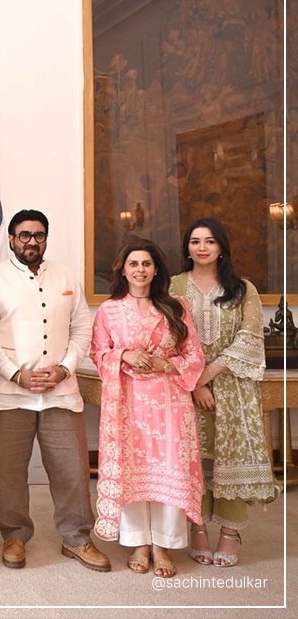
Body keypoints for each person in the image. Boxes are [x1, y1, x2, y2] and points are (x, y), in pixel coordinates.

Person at [0, 209, 110, 573]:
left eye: (38, 235)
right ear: (11, 239)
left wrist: (65, 368)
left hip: (60, 391)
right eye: (24, 235)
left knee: (72, 468)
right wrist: (16, 374)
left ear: (46, 238)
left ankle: (77, 538)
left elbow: (83, 327)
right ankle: (15, 535)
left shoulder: (65, 275)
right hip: (8, 392)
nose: (31, 241)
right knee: (9, 471)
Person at [91, 239, 205, 578]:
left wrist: (165, 365)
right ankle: (139, 542)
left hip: (170, 402)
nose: (140, 270)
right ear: (123, 270)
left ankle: (163, 544)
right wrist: (124, 355)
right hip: (127, 403)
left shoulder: (176, 306)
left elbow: (194, 355)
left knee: (168, 468)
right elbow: (98, 353)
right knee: (133, 468)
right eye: (133, 264)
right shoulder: (109, 311)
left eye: (146, 264)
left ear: (156, 269)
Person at [171, 218, 280, 567]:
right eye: (194, 241)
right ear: (187, 247)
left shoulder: (242, 288)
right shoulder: (173, 285)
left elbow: (250, 337)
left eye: (210, 241)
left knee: (229, 460)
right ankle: (198, 528)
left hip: (233, 386)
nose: (201, 247)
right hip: (186, 386)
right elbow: (166, 335)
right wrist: (196, 383)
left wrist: (210, 374)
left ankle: (230, 534)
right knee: (194, 458)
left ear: (221, 248)